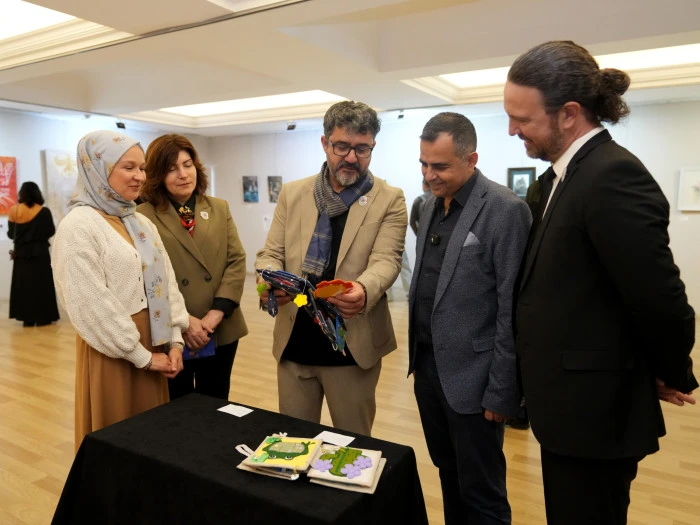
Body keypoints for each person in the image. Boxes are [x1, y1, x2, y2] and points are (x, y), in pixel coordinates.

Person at [504, 40, 698, 525]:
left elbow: (659, 297)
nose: (512, 130)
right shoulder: (558, 179)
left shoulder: (612, 175)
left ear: (569, 114)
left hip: (593, 414)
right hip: (566, 408)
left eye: (522, 119)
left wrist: (670, 369)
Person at [255, 100, 407, 436]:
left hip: (351, 345)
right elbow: (270, 254)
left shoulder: (389, 199)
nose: (351, 157)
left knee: (353, 447)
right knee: (294, 443)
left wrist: (363, 289)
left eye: (362, 149)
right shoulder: (293, 193)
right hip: (295, 341)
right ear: (325, 143)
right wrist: (268, 280)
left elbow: (387, 259)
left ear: (373, 146)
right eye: (342, 146)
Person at [408, 112, 531, 525]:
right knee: (448, 472)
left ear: (471, 159)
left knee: (483, 493)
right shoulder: (428, 205)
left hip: (476, 378)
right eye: (423, 164)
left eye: (440, 166)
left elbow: (511, 307)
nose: (429, 175)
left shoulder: (505, 209)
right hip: (428, 369)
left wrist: (503, 390)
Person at [52, 130, 189, 452]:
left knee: (152, 439)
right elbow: (89, 303)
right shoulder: (78, 226)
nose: (140, 176)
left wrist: (175, 340)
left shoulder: (140, 223)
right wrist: (141, 356)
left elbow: (166, 281)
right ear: (97, 169)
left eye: (142, 168)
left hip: (154, 342)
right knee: (117, 438)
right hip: (114, 351)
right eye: (128, 167)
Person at [138, 134, 248, 400]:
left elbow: (236, 261)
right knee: (177, 404)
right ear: (157, 175)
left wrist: (214, 316)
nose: (183, 174)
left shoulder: (219, 208)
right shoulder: (142, 216)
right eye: (172, 168)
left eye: (187, 165)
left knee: (216, 399)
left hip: (219, 326)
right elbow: (145, 276)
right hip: (171, 331)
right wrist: (186, 322)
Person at [8, 182, 60, 327]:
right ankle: (44, 317)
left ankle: (27, 319)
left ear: (21, 194)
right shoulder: (44, 211)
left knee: (24, 286)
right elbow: (50, 231)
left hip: (21, 255)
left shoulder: (14, 211)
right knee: (42, 285)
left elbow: (11, 234)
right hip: (40, 253)